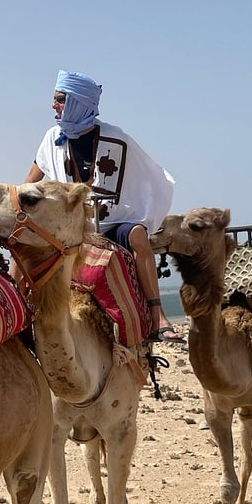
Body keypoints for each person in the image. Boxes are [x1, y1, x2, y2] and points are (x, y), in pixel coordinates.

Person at [24, 70, 183, 342]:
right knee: (24, 238)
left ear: (78, 103)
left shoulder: (116, 138)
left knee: (137, 236)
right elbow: (32, 179)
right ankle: (21, 309)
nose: (54, 106)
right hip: (72, 223)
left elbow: (147, 176)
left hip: (113, 222)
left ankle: (158, 316)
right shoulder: (52, 138)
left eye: (60, 99)